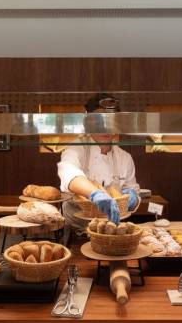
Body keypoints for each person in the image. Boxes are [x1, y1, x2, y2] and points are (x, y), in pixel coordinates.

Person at [57, 93, 140, 229]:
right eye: (99, 121)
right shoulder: (77, 148)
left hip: (110, 229)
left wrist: (133, 198)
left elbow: (132, 189)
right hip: (75, 229)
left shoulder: (125, 158)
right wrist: (95, 194)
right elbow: (69, 172)